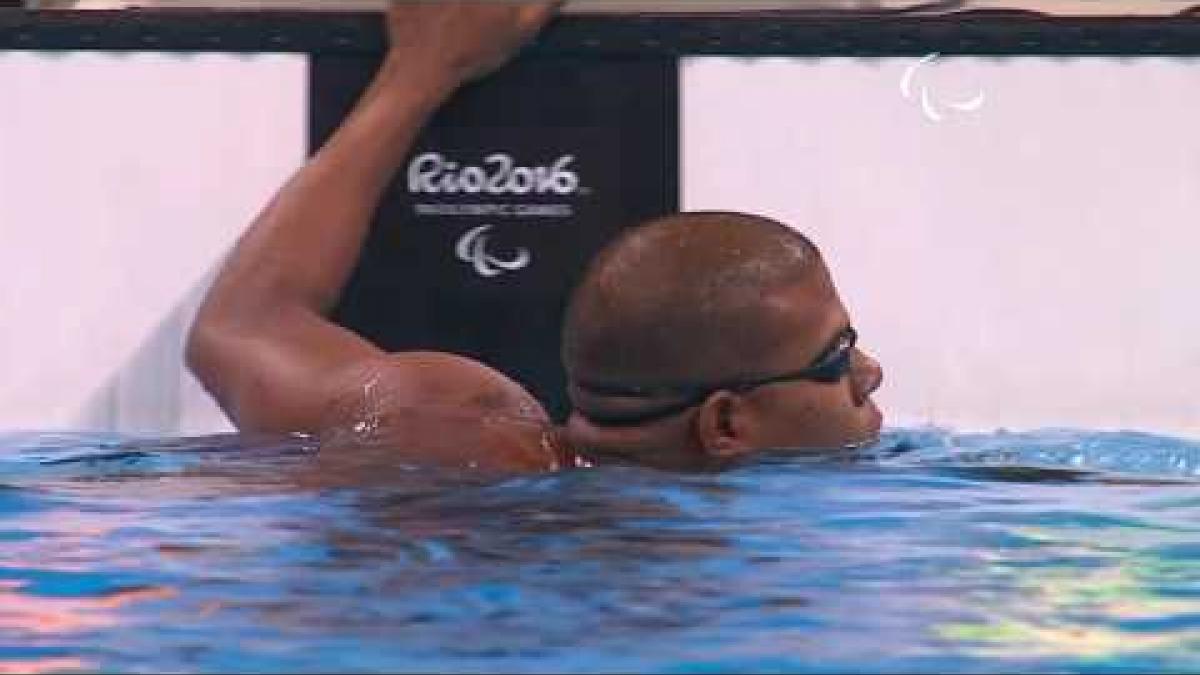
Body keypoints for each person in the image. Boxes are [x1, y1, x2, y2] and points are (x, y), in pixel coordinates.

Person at [187, 1, 883, 475]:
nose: (870, 372)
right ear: (725, 424)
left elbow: (243, 323)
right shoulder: (726, 576)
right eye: (836, 356)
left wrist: (418, 72)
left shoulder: (440, 420)